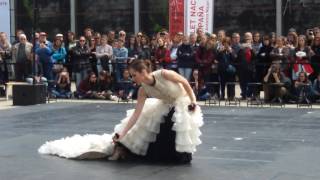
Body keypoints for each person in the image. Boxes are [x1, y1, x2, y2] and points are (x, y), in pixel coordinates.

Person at [38, 59, 203, 164]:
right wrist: (122, 134)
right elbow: (136, 115)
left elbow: (186, 84)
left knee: (176, 124)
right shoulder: (142, 91)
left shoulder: (164, 74)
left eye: (133, 75)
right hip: (166, 104)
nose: (132, 79)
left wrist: (193, 102)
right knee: (152, 126)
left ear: (142, 72)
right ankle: (126, 146)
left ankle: (178, 154)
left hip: (183, 101)